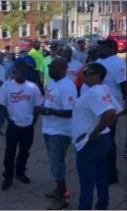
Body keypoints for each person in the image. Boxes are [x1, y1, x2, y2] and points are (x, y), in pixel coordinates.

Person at [72, 62, 123, 210]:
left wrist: (95, 132)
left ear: (96, 76)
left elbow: (110, 113)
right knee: (101, 177)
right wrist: (103, 127)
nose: (83, 76)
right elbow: (117, 110)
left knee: (87, 182)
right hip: (102, 140)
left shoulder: (95, 92)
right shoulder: (103, 89)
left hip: (90, 143)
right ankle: (102, 206)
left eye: (86, 74)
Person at [0, 59, 43, 191]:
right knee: (10, 153)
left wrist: (34, 119)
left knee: (24, 152)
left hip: (28, 126)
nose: (19, 74)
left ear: (27, 72)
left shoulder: (33, 87)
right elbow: (1, 104)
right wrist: (8, 119)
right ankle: (8, 178)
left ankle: (20, 173)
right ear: (14, 72)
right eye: (17, 71)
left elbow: (38, 105)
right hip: (13, 125)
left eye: (23, 71)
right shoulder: (7, 86)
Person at [38, 57, 77, 210]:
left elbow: (70, 112)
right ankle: (58, 189)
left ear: (62, 69)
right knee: (55, 162)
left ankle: (63, 197)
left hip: (60, 132)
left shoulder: (68, 86)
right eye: (49, 66)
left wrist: (47, 111)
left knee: (57, 164)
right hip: (49, 128)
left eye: (52, 66)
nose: (49, 68)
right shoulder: (52, 82)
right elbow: (49, 101)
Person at [96, 39, 126, 185]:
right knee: (102, 137)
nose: (100, 48)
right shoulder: (100, 60)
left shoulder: (117, 62)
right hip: (99, 106)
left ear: (111, 48)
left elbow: (124, 84)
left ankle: (111, 174)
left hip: (110, 107)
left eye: (103, 46)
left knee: (108, 139)